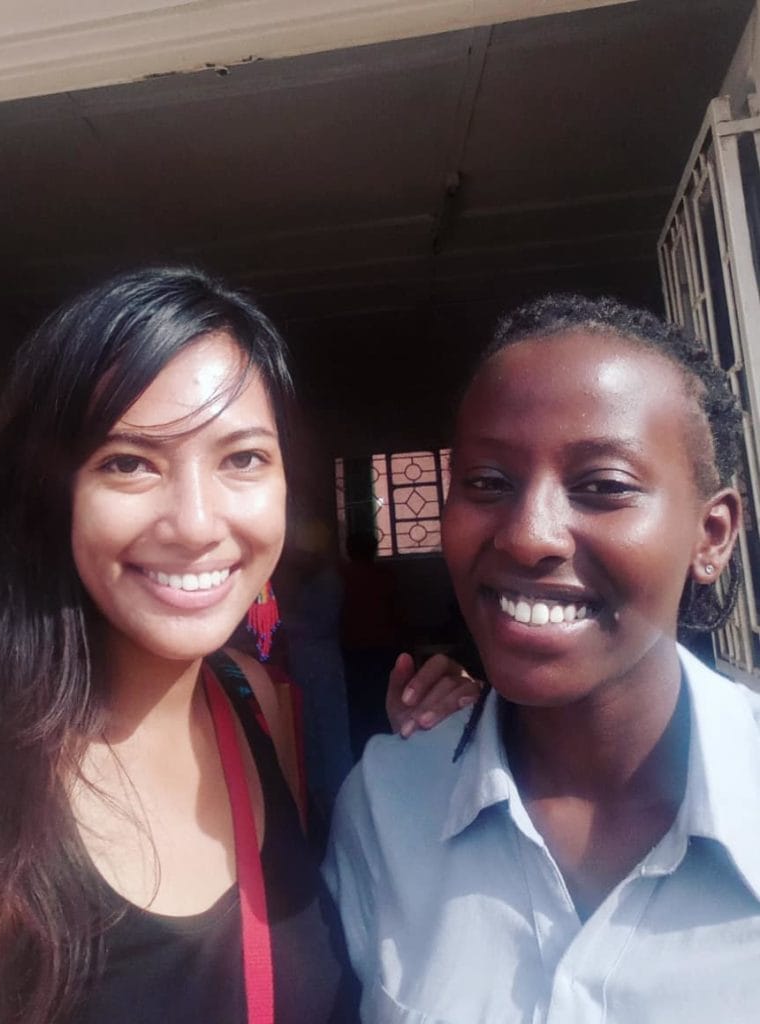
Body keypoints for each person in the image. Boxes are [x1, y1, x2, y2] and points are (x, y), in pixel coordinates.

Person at [0, 267, 477, 1023]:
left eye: (243, 458)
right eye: (129, 462)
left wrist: (437, 751)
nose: (195, 524)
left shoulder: (253, 707)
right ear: (47, 498)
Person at [325, 294, 760, 1023]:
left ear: (711, 534)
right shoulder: (389, 802)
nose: (529, 535)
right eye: (487, 483)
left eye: (603, 487)